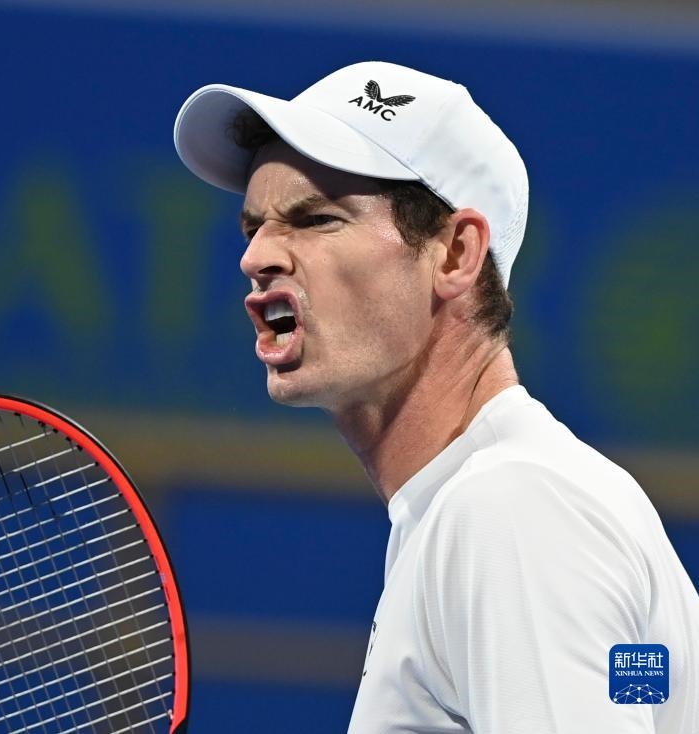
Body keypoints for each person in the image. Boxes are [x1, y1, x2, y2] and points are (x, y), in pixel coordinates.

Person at [172, 61, 699, 733]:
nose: (256, 258)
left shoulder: (510, 509)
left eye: (317, 219)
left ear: (454, 254)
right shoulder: (476, 506)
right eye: (254, 228)